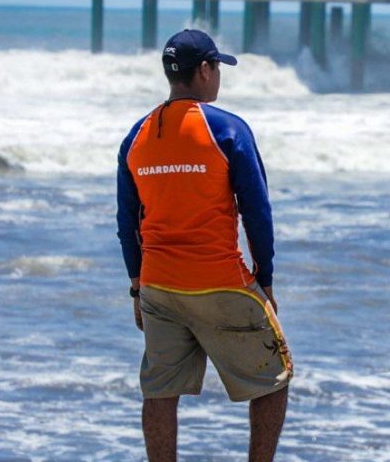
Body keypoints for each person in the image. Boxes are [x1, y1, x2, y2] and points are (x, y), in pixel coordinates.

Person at [116, 29, 292, 462]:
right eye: (217, 68)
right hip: (220, 283)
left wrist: (138, 287)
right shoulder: (228, 129)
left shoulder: (137, 136)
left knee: (160, 391)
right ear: (205, 70)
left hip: (158, 286)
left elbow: (127, 222)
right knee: (274, 378)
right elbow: (257, 212)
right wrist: (265, 280)